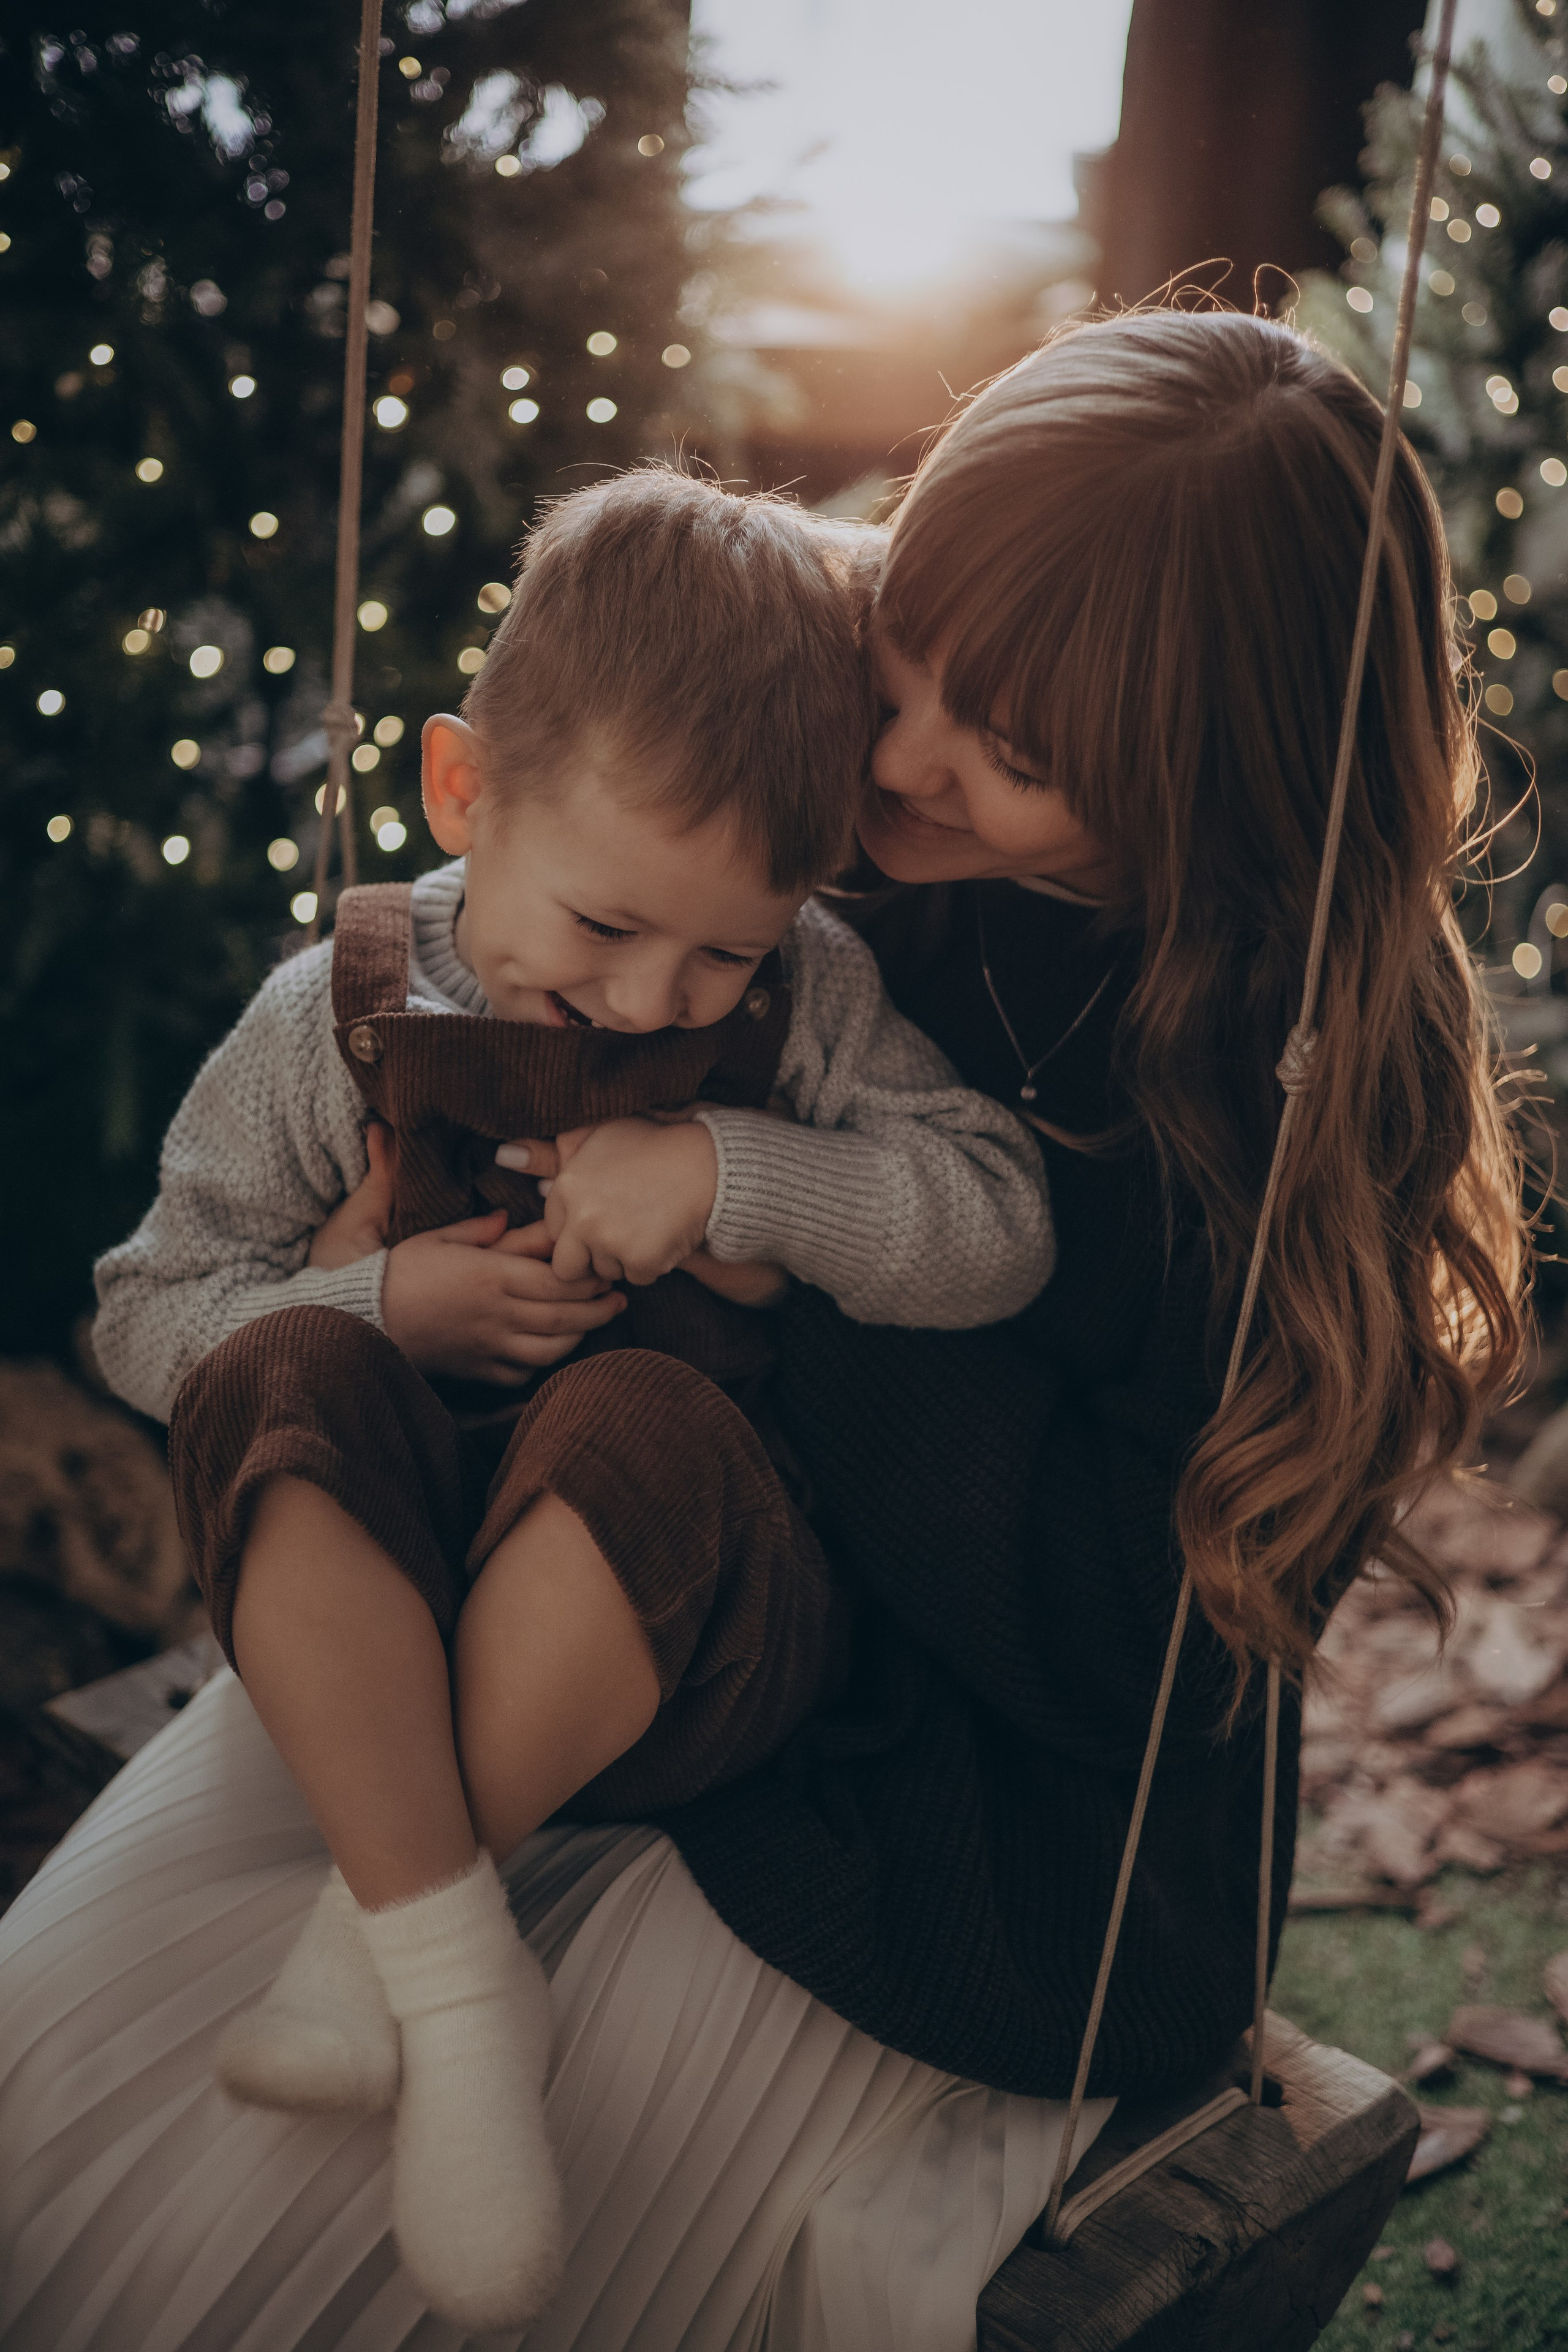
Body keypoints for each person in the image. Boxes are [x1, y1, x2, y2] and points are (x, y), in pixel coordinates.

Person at [0, 307, 1528, 2352]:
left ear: (1202, 793)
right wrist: (390, 1240)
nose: (896, 768)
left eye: (1017, 760)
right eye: (921, 667)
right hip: (538, 1574)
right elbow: (537, 834)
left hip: (954, 1816)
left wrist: (761, 1246)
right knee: (67, 2070)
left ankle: (428, 1963)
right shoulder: (798, 741)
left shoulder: (1278, 1086)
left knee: (273, 2231)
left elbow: (1116, 1642)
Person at [86, 469, 1055, 2331]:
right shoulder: (336, 1010)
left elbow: (997, 1227)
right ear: (463, 793)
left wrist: (733, 1176)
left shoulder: (813, 998)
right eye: (606, 924)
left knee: (644, 1428)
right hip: (381, 1608)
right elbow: (147, 1316)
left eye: (722, 953)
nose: (647, 996)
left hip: (679, 1636)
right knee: (279, 1356)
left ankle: (394, 1964)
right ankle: (461, 1978)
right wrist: (380, 1305)